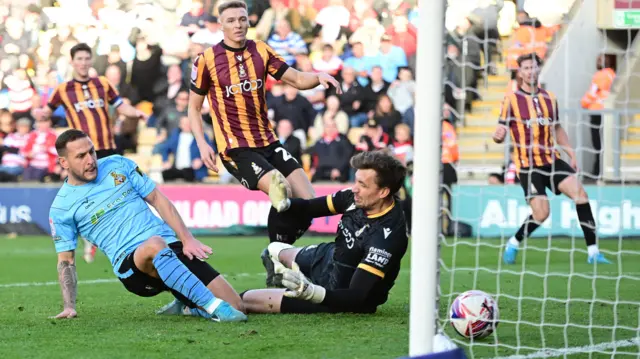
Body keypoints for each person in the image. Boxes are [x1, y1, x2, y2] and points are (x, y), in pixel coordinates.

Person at [48, 129, 247, 322]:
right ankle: (213, 307)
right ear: (64, 162)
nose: (90, 160)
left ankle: (190, 306)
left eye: (91, 151)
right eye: (80, 156)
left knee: (237, 305)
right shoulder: (61, 207)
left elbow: (158, 200)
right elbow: (66, 261)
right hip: (132, 267)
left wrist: (187, 239)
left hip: (168, 246)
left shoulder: (118, 164)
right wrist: (69, 306)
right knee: (154, 244)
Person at [189, 0, 341, 246]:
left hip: (268, 141)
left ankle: (279, 250)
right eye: (231, 20)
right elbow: (194, 107)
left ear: (249, 20)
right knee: (281, 191)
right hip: (236, 148)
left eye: (242, 19)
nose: (238, 25)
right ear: (221, 25)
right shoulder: (206, 60)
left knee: (309, 202)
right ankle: (277, 254)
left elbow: (297, 79)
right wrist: (202, 143)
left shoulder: (261, 50)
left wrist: (318, 77)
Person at [238, 151, 408, 314]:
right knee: (274, 249)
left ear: (383, 192)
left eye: (362, 185)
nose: (354, 189)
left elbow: (357, 295)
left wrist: (312, 293)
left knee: (245, 299)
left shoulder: (388, 237)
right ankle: (280, 273)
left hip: (339, 295)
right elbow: (310, 207)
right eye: (355, 181)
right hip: (329, 258)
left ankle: (300, 284)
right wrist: (286, 203)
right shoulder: (353, 197)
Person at [493, 53, 611, 265]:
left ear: (539, 69)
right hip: (528, 166)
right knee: (541, 213)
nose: (531, 71)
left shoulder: (550, 98)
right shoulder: (511, 100)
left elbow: (556, 128)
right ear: (520, 72)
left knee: (581, 195)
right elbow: (501, 128)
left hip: (552, 160)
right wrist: (497, 136)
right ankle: (514, 241)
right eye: (526, 68)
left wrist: (571, 153)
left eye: (534, 67)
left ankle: (593, 252)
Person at [34, 43, 147, 262]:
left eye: (87, 58)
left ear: (91, 60)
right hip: (80, 153)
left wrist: (137, 113)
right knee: (84, 197)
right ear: (72, 61)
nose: (84, 63)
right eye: (80, 59)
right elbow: (46, 112)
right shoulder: (63, 89)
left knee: (120, 191)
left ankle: (127, 237)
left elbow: (120, 105)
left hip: (106, 148)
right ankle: (89, 237)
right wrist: (38, 112)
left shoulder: (102, 84)